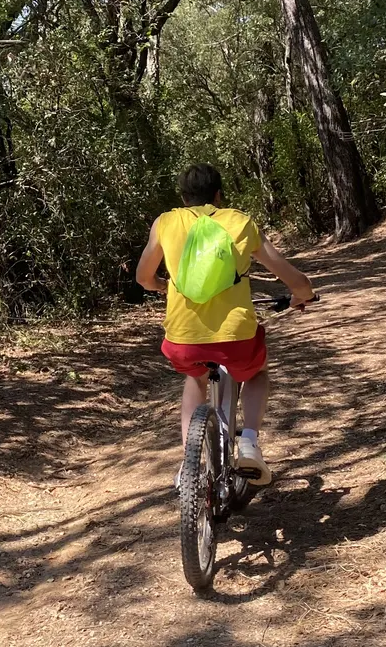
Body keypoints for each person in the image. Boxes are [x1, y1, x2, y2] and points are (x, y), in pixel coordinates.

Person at [135, 163, 315, 485]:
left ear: (184, 197)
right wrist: (302, 295)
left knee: (196, 378)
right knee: (258, 373)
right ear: (218, 195)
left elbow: (143, 277)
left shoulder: (166, 223)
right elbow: (293, 278)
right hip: (236, 338)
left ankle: (191, 464)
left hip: (182, 339)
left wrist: (161, 285)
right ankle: (248, 441)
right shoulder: (239, 223)